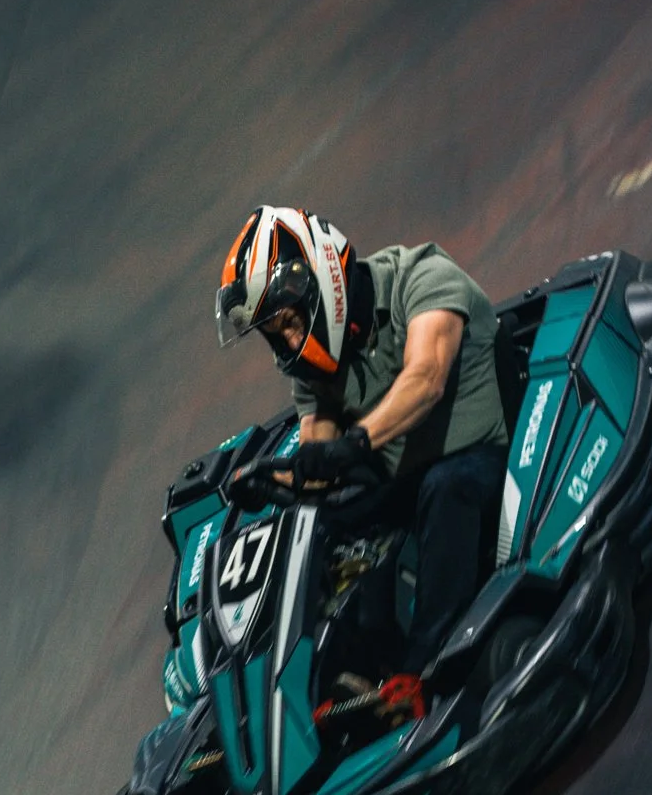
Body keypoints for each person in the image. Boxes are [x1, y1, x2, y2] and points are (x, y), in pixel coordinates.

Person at [215, 207, 510, 705]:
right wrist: (282, 483)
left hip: (488, 454)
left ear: (321, 279)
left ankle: (422, 671)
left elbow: (425, 381)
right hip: (401, 480)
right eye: (275, 333)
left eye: (289, 321)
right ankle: (296, 690)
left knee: (447, 487)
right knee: (312, 526)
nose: (289, 341)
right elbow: (318, 452)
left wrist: (353, 446)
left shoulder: (421, 278)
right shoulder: (312, 368)